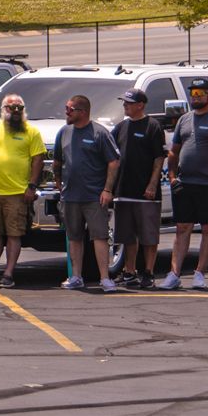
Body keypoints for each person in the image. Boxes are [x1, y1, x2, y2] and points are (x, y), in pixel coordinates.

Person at [163, 79, 208, 290]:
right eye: (193, 93)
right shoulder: (184, 119)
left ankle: (200, 272)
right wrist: (173, 177)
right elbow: (174, 151)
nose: (196, 97)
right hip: (185, 183)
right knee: (182, 228)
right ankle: (174, 273)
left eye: (200, 93)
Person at [52, 93, 120, 293]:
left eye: (69, 109)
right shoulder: (63, 132)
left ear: (82, 112)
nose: (66, 112)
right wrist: (58, 182)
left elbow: (113, 162)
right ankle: (76, 276)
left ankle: (105, 278)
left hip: (94, 196)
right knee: (74, 237)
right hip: (70, 196)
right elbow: (57, 160)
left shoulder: (99, 133)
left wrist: (107, 189)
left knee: (99, 236)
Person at [0, 94, 46, 286]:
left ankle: (8, 274)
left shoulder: (31, 131)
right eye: (12, 108)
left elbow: (38, 160)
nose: (16, 111)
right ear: (4, 110)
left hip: (17, 193)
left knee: (14, 234)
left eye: (20, 107)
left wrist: (32, 186)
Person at [113, 88, 166, 290]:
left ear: (140, 105)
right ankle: (129, 272)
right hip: (124, 190)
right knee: (127, 236)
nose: (125, 105)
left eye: (128, 102)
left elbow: (159, 158)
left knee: (148, 235)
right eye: (124, 102)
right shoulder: (120, 127)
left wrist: (152, 184)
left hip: (146, 192)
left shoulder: (153, 127)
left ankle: (149, 272)